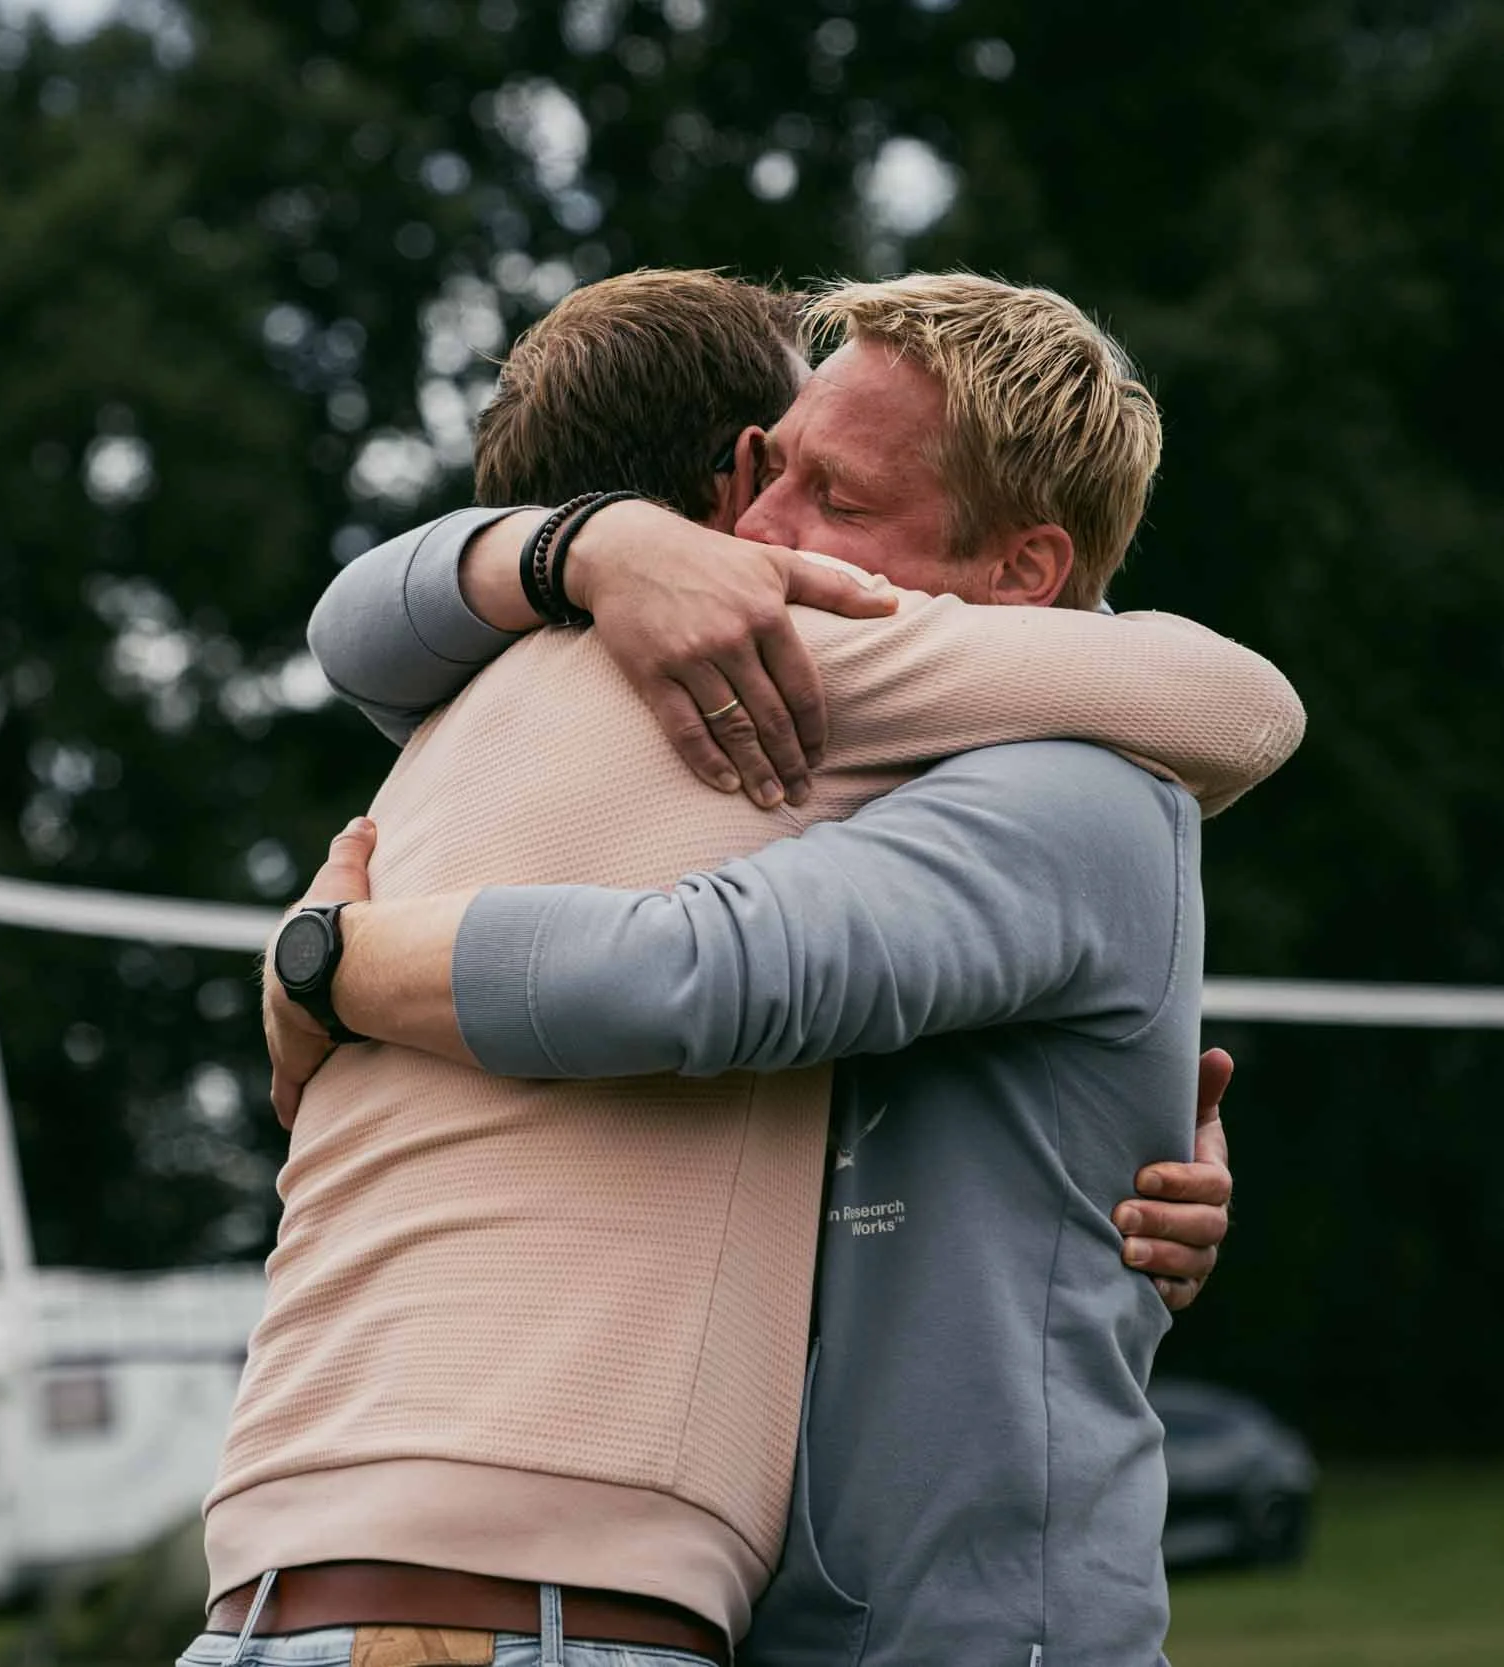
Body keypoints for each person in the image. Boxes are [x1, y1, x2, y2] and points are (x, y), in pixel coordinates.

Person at [198, 272, 1301, 1667]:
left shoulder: (1068, 788)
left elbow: (701, 970)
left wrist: (332, 963)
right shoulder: (735, 713)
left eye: (833, 500)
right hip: (720, 1619)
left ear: (1026, 577)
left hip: (969, 1633)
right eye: (763, 475)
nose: (760, 539)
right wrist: (595, 551)